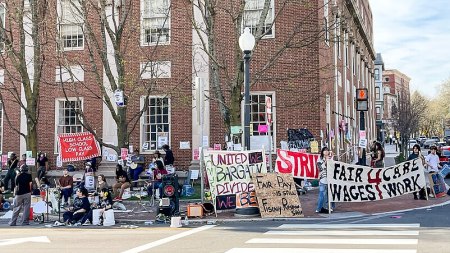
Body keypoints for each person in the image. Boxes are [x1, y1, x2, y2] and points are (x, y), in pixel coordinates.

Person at [315, 147, 335, 213]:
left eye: (327, 151)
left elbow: (333, 167)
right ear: (322, 152)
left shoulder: (330, 158)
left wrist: (331, 158)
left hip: (330, 179)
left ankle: (331, 207)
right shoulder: (319, 159)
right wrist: (326, 160)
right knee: (321, 195)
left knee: (331, 194)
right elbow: (320, 168)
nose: (326, 152)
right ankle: (319, 208)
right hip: (323, 180)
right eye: (325, 151)